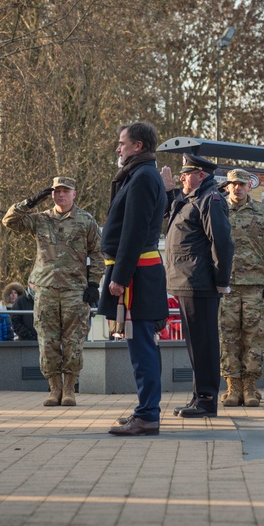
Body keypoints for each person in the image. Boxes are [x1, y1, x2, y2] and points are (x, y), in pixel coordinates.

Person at [3, 176, 103, 406]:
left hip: (75, 290)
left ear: (74, 194)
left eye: (65, 191)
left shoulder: (86, 220)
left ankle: (69, 389)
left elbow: (97, 254)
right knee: (47, 341)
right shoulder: (41, 219)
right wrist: (30, 202)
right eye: (56, 191)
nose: (61, 195)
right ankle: (54, 388)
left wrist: (94, 284)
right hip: (46, 288)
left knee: (73, 341)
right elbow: (9, 221)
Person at [102, 122, 169, 436]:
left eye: (122, 143)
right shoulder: (140, 175)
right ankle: (145, 410)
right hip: (137, 271)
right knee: (141, 345)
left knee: (142, 347)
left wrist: (120, 275)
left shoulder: (142, 177)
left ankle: (147, 415)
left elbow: (134, 231)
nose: (118, 148)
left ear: (138, 146)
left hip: (137, 274)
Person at [160, 153, 234, 418]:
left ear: (200, 175)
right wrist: (170, 193)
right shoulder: (190, 199)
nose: (181, 178)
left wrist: (222, 281)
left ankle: (206, 400)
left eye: (186, 174)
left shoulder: (210, 199)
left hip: (200, 282)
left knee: (204, 344)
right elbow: (170, 223)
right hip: (186, 281)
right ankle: (198, 397)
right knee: (195, 345)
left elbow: (222, 242)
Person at [217, 168, 264, 407]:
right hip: (225, 286)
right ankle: (233, 388)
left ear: (250, 186)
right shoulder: (217, 210)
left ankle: (250, 387)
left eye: (242, 184)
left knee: (254, 338)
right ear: (227, 186)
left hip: (255, 286)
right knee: (228, 337)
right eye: (233, 184)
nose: (237, 188)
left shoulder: (263, 212)